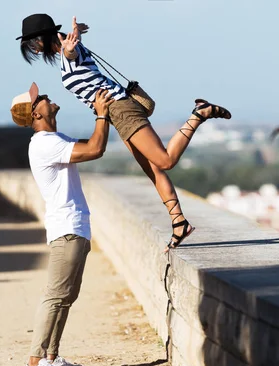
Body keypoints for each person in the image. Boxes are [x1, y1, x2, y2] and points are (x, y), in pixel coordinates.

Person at [16, 13, 232, 252]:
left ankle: (199, 114)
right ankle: (179, 222)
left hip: (120, 109)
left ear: (42, 40)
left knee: (165, 160)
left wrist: (69, 48)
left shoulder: (70, 55)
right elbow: (72, 49)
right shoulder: (73, 46)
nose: (35, 51)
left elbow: (71, 54)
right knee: (153, 168)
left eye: (33, 45)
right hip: (117, 112)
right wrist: (73, 37)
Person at [10, 82, 115, 366]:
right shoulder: (45, 143)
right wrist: (102, 114)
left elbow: (94, 143)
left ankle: (51, 356)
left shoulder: (54, 139)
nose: (45, 97)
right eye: (39, 99)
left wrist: (102, 115)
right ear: (36, 115)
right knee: (55, 294)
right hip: (66, 229)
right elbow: (95, 149)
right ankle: (34, 361)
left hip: (74, 227)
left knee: (67, 295)